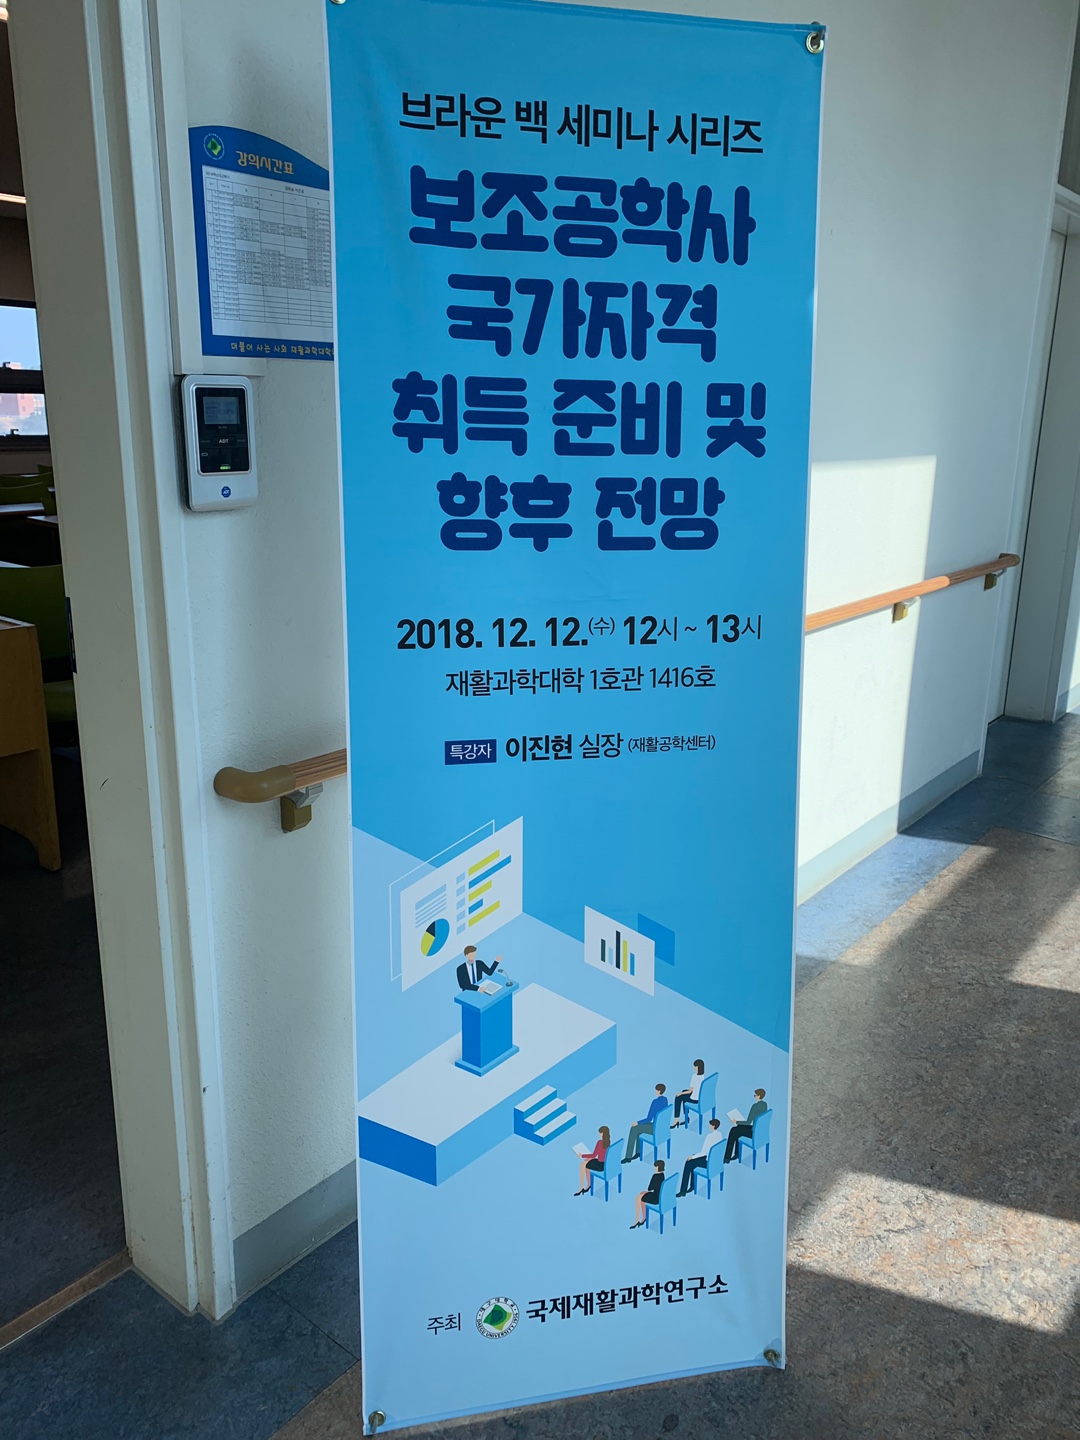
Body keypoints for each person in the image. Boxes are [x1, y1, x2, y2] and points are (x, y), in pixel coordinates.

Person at [676, 1118, 724, 1196]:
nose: (709, 1126)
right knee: (693, 1159)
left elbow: (703, 1152)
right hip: (715, 1161)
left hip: (708, 1162)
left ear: (713, 1126)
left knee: (688, 1162)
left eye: (710, 1125)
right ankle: (692, 1186)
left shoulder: (709, 1136)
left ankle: (683, 1191)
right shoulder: (719, 1134)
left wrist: (692, 1157)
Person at [622, 1084, 668, 1163]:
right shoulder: (665, 1100)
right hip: (661, 1127)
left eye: (656, 1090)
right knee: (639, 1129)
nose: (655, 1091)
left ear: (659, 1091)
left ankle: (628, 1157)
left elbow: (649, 1119)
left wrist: (637, 1122)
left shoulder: (655, 1102)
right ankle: (638, 1152)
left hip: (655, 1128)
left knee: (634, 1128)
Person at [723, 1088, 768, 1163]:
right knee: (738, 1128)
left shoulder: (755, 1106)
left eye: (755, 1095)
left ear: (759, 1096)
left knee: (733, 1130)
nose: (755, 1096)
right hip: (759, 1131)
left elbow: (748, 1122)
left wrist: (736, 1121)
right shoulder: (764, 1104)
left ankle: (727, 1158)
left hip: (754, 1132)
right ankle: (737, 1153)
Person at [574, 1125, 611, 1196]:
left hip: (600, 1165)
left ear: (603, 1133)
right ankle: (589, 1185)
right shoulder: (608, 1142)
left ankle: (581, 1187)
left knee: (583, 1164)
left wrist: (582, 1155)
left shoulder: (600, 1142)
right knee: (586, 1161)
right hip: (605, 1163)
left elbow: (594, 1155)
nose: (599, 1134)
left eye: (600, 1133)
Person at [630, 1160, 666, 1228]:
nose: (654, 1168)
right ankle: (644, 1217)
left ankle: (636, 1220)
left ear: (658, 1167)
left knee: (638, 1198)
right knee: (642, 1193)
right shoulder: (662, 1175)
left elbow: (649, 1188)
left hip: (655, 1198)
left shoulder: (655, 1176)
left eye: (655, 1166)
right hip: (658, 1195)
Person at [672, 1058, 706, 1126]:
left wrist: (680, 1093)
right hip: (699, 1097)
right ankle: (686, 1117)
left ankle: (676, 1120)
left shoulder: (695, 1076)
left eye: (695, 1066)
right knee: (684, 1092)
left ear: (698, 1067)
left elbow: (690, 1091)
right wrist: (682, 1092)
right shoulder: (702, 1076)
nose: (694, 1068)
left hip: (694, 1099)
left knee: (678, 1097)